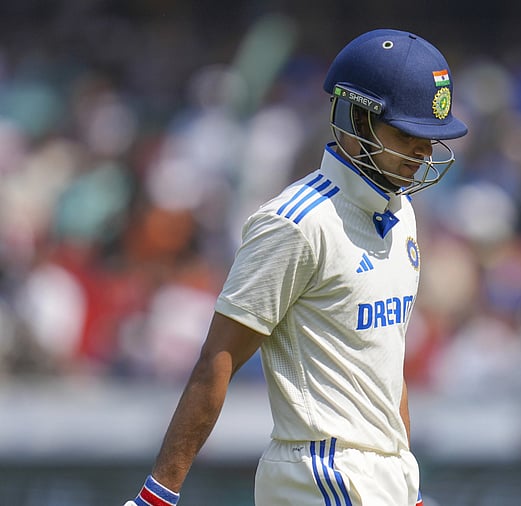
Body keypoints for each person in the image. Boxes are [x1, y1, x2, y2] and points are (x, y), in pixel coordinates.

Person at [125, 28, 467, 506]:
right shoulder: (295, 223)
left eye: (430, 137)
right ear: (357, 120)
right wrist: (157, 495)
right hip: (322, 473)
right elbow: (216, 361)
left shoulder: (402, 213)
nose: (423, 152)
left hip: (385, 475)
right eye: (407, 134)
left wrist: (404, 482)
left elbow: (386, 369)